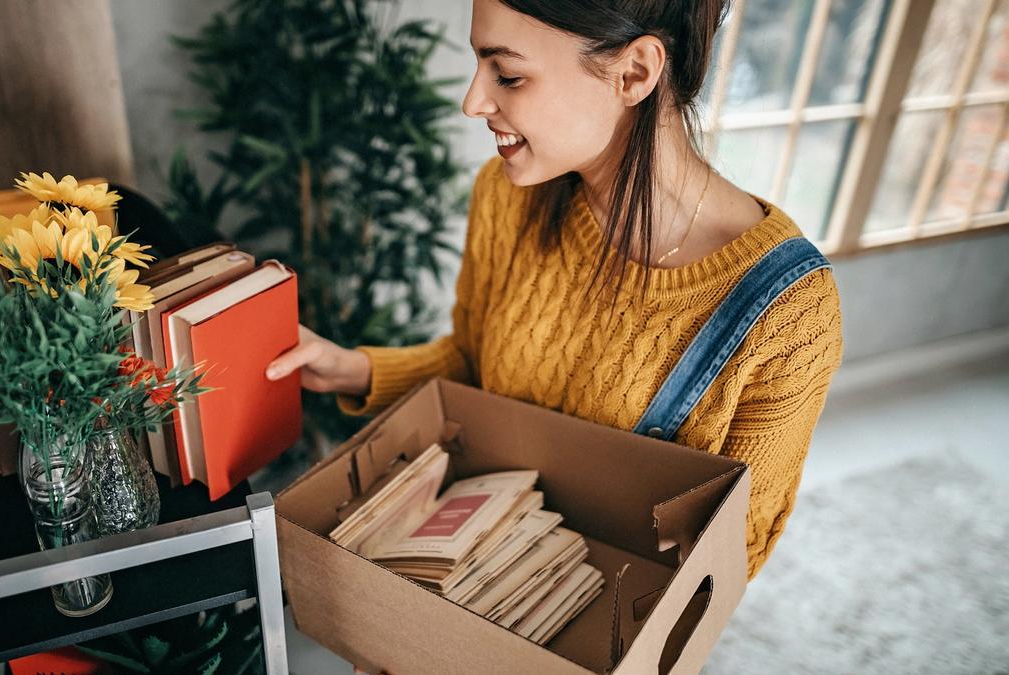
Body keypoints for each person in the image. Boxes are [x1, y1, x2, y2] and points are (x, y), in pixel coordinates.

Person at [267, 0, 842, 588]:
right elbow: (472, 366)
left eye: (508, 75)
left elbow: (726, 562)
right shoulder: (508, 193)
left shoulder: (789, 313)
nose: (473, 102)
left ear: (635, 73)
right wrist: (353, 370)